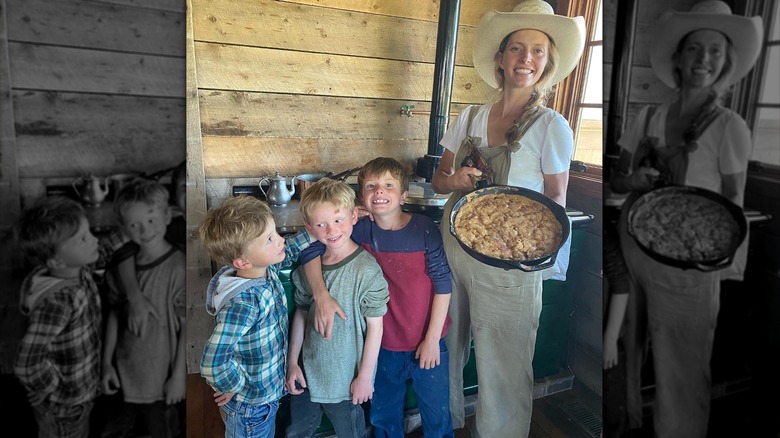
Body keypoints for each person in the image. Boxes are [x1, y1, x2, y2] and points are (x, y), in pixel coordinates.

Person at [429, 1, 585, 436]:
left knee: (505, 360)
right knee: (446, 344)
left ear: (548, 62)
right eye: (517, 48)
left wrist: (539, 259)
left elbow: (555, 200)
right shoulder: (470, 117)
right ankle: (448, 424)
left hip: (509, 260)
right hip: (453, 248)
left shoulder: (552, 126)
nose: (526, 59)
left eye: (537, 51)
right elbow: (439, 181)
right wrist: (455, 179)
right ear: (500, 58)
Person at [608, 2, 762, 436]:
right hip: (636, 248)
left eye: (715, 51)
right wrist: (633, 177)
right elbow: (619, 180)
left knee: (683, 366)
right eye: (695, 49)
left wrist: (716, 260)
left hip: (688, 263)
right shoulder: (649, 117)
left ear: (726, 61)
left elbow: (732, 200)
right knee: (629, 345)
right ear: (677, 57)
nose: (703, 60)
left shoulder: (729, 127)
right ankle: (631, 421)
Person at [299, 157, 454, 437]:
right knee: (384, 416)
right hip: (382, 344)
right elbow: (308, 248)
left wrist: (432, 340)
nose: (379, 191)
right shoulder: (357, 229)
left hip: (429, 342)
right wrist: (320, 295)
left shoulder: (424, 229)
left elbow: (443, 284)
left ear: (404, 195)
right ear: (361, 198)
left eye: (388, 185)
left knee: (437, 415)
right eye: (371, 186)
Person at [198, 194, 313, 438]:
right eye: (270, 239)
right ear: (242, 261)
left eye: (275, 232)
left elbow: (289, 250)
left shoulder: (262, 269)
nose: (281, 239)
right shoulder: (245, 303)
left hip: (264, 396)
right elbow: (212, 361)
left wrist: (318, 230)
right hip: (250, 406)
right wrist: (233, 386)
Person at [285, 178, 389, 438]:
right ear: (309, 227)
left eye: (338, 220)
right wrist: (292, 363)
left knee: (351, 433)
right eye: (321, 224)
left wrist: (365, 377)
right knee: (297, 432)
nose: (331, 230)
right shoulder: (310, 268)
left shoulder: (366, 269)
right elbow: (301, 313)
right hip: (307, 376)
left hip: (345, 382)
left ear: (354, 215)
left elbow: (376, 327)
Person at [100, 178, 186, 438]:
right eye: (134, 224)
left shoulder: (177, 267)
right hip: (124, 372)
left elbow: (185, 327)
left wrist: (178, 376)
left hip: (161, 379)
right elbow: (115, 314)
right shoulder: (123, 264)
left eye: (151, 220)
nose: (144, 230)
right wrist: (106, 363)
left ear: (167, 216)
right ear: (123, 227)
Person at [13, 196, 104, 438]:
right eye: (83, 239)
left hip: (82, 390)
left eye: (89, 232)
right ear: (55, 260)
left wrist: (132, 230)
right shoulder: (58, 302)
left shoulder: (74, 270)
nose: (94, 239)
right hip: (65, 405)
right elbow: (25, 363)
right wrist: (49, 387)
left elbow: (99, 253)